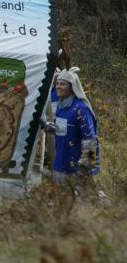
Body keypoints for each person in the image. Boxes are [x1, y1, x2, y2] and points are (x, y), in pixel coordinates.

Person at [44, 66, 100, 195]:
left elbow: (90, 139)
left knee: (81, 204)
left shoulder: (81, 109)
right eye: (57, 83)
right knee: (62, 204)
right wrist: (50, 127)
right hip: (60, 164)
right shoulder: (60, 107)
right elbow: (64, 129)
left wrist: (86, 167)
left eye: (62, 84)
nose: (58, 87)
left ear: (72, 87)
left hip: (76, 168)